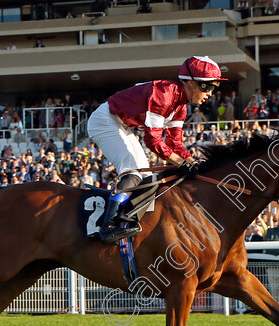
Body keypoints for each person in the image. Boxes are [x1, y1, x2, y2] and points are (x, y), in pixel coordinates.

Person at [86, 56, 225, 243]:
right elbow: (152, 140)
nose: (209, 93)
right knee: (133, 171)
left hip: (122, 124)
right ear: (190, 83)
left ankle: (126, 219)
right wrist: (181, 162)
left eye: (213, 88)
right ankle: (108, 225)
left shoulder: (181, 107)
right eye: (206, 87)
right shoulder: (165, 93)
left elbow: (175, 144)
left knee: (142, 175)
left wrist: (193, 163)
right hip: (105, 120)